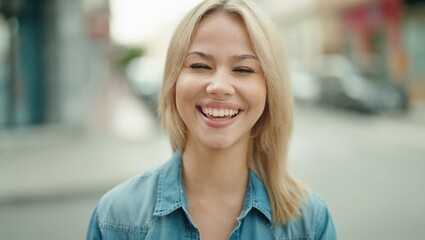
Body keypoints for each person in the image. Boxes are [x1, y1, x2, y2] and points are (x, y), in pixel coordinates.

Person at [86, 0, 337, 239]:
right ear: (173, 81)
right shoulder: (116, 217)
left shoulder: (310, 222)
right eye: (199, 65)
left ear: (270, 90)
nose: (219, 86)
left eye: (243, 69)